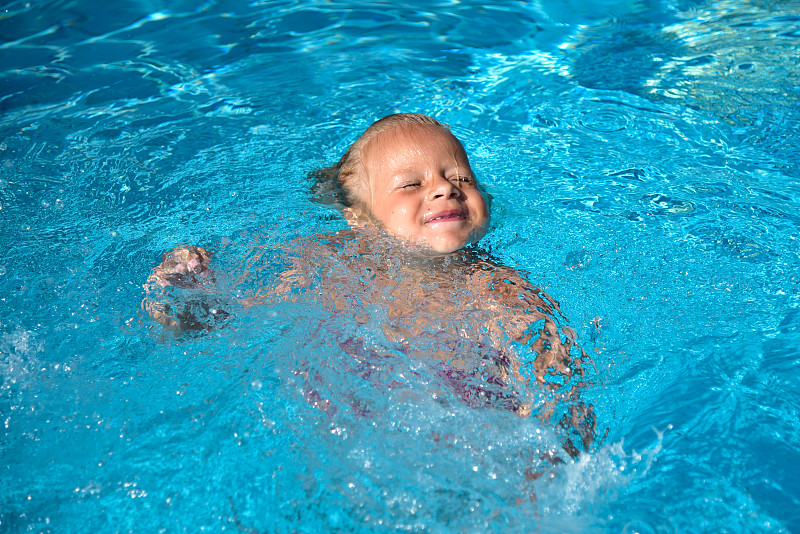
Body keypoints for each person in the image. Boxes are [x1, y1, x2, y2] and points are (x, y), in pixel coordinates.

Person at [143, 113, 597, 457]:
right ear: (359, 220)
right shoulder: (328, 262)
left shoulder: (498, 289)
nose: (444, 189)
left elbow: (557, 379)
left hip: (460, 435)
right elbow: (245, 313)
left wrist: (554, 449)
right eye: (411, 184)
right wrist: (196, 294)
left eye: (460, 177)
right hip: (339, 426)